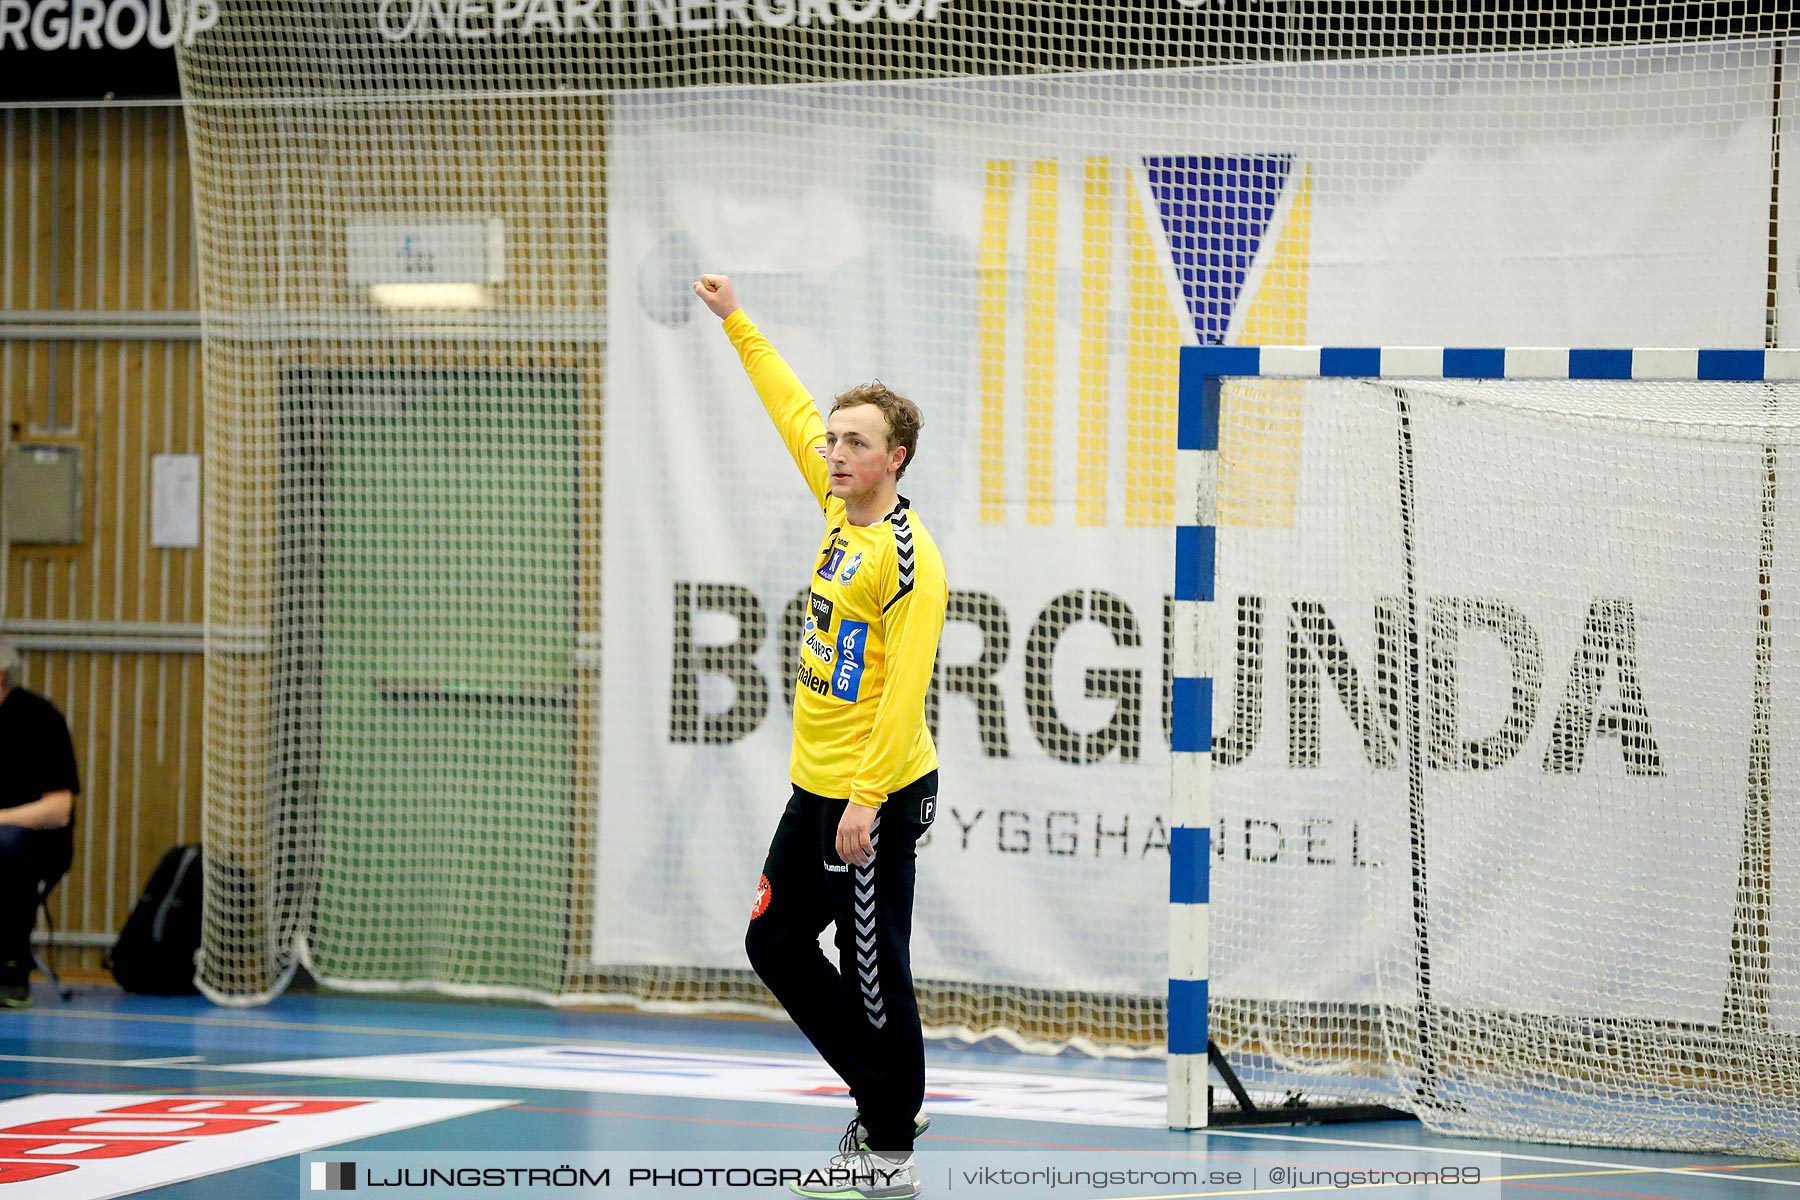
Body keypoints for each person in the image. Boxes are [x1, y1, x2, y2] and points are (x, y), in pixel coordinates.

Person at [694, 274, 947, 1200]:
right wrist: (735, 320)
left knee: (875, 968)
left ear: (897, 458)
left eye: (855, 443)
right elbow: (787, 404)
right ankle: (890, 1100)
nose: (834, 452)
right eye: (835, 441)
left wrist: (868, 800)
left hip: (872, 795)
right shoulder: (837, 509)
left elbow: (905, 692)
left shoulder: (909, 561)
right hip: (818, 786)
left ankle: (888, 1155)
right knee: (773, 941)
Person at [0, 639, 79, 1009]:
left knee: (8, 844)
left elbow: (59, 809)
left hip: (35, 840)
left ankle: (10, 970)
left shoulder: (39, 718)